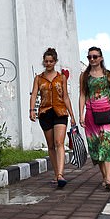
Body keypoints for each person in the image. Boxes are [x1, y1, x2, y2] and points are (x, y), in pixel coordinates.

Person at [78, 46, 110, 191]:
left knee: (107, 145)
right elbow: (82, 95)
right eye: (89, 57)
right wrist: (81, 114)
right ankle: (105, 177)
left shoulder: (108, 75)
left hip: (107, 114)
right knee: (96, 147)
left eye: (95, 56)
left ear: (101, 58)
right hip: (91, 115)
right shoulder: (84, 76)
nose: (92, 59)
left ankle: (109, 178)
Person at [29, 48, 76, 188]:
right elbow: (34, 95)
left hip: (60, 112)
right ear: (44, 61)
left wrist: (72, 115)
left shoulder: (61, 77)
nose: (48, 63)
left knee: (59, 142)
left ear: (55, 62)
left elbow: (66, 97)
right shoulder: (38, 78)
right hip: (45, 113)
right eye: (46, 61)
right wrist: (32, 110)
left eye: (51, 61)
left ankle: (61, 174)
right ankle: (56, 174)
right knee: (50, 145)